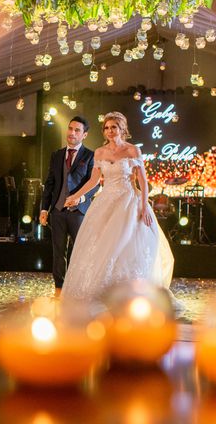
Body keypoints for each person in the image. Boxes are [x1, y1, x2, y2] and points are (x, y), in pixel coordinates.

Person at [61, 112, 175, 301]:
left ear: (122, 128)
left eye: (113, 127)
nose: (110, 131)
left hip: (129, 200)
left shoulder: (133, 151)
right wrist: (75, 195)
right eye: (106, 127)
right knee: (101, 245)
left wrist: (144, 206)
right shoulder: (100, 152)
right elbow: (94, 180)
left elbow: (143, 181)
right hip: (106, 201)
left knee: (126, 243)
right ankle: (102, 291)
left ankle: (132, 292)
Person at [40, 116, 97, 293]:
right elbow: (49, 183)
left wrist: (81, 198)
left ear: (85, 134)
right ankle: (59, 287)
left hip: (79, 212)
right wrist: (44, 209)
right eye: (70, 129)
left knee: (80, 251)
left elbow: (95, 185)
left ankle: (79, 287)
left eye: (77, 130)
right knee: (58, 252)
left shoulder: (91, 156)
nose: (72, 133)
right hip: (57, 211)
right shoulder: (57, 155)